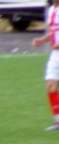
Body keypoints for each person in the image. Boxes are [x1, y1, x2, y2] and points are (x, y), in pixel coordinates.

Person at [32, 0, 59, 131]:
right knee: (50, 85)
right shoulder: (51, 10)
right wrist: (42, 40)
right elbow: (54, 31)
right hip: (55, 54)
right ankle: (58, 121)